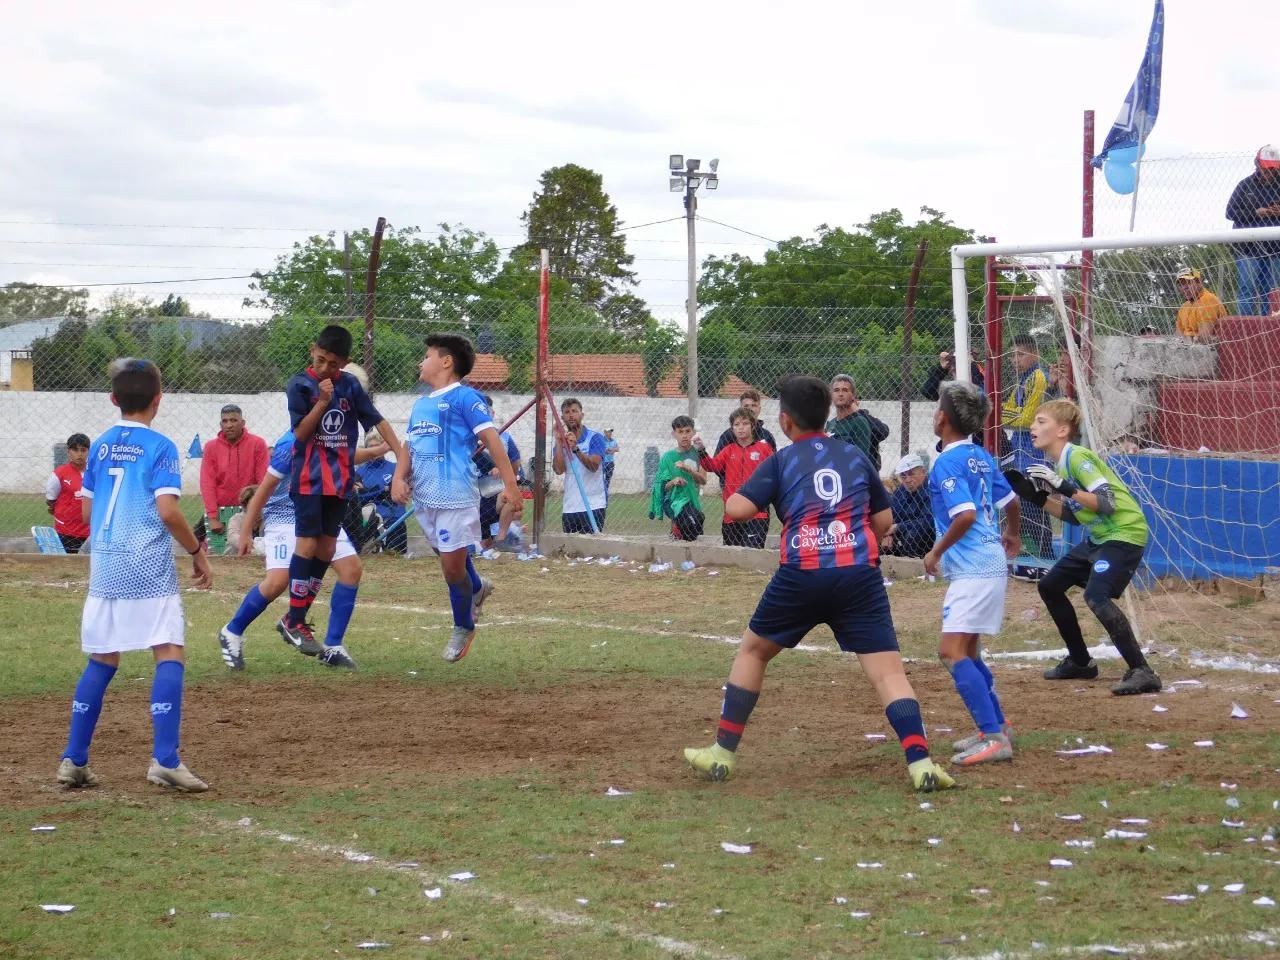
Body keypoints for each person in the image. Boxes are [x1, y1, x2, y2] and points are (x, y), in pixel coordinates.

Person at [682, 375, 956, 793]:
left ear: (785, 421)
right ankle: (921, 763)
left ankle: (722, 753)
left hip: (802, 573)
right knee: (888, 674)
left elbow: (737, 510)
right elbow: (883, 523)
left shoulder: (781, 460)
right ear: (828, 414)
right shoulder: (853, 456)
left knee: (754, 652)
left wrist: (757, 491)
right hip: (858, 575)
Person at [57, 358, 213, 793]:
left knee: (103, 657)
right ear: (158, 400)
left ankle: (75, 758)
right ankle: (164, 758)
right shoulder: (161, 446)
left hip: (105, 567)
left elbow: (87, 512)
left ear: (113, 400)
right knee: (168, 650)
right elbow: (167, 510)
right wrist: (198, 551)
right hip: (146, 566)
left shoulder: (101, 445)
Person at [1005, 399, 1162, 696]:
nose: (1032, 426)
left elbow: (1107, 503)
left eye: (1040, 421)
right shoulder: (1060, 463)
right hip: (1100, 537)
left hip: (1124, 533)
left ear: (1063, 430)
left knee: (1096, 595)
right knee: (1050, 586)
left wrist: (1063, 487)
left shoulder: (1077, 457)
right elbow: (1073, 515)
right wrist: (1035, 497)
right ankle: (1080, 662)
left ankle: (1142, 670)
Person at [392, 333, 522, 663]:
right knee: (449, 558)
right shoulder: (421, 404)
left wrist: (511, 485)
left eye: (427, 356)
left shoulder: (466, 398)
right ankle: (477, 587)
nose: (421, 362)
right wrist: (398, 476)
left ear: (446, 361)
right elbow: (409, 446)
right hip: (424, 499)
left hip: (455, 497)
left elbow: (493, 441)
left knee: (451, 570)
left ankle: (463, 625)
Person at [221, 430, 389, 671]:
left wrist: (377, 451)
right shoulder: (290, 445)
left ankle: (332, 647)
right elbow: (264, 490)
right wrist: (247, 529)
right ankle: (232, 631)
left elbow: (346, 455)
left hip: (320, 514)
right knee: (278, 581)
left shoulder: (331, 435)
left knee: (351, 569)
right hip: (284, 517)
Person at [922, 382, 1022, 766]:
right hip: (990, 563)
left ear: (943, 419)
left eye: (936, 410)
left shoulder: (946, 462)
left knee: (950, 652)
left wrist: (936, 551)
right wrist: (1011, 531)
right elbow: (1010, 500)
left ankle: (995, 739)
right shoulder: (981, 455)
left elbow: (964, 515)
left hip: (974, 569)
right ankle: (997, 726)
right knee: (969, 650)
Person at [1002, 334, 1053, 580]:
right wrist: (1009, 413)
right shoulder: (1023, 380)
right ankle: (1032, 558)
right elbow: (1010, 409)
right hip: (1020, 454)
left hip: (1035, 455)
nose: (1015, 360)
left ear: (1034, 354)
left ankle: (1047, 559)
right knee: (1022, 507)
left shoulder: (1038, 377)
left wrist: (1004, 414)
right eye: (1012, 355)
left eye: (1020, 354)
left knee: (1036, 508)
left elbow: (1025, 419)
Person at [695, 407, 772, 549]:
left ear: (753, 425)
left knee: (752, 553)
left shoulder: (764, 449)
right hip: (732, 512)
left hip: (757, 512)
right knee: (732, 555)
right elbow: (713, 466)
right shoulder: (729, 450)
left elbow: (775, 472)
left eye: (745, 423)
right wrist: (701, 451)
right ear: (732, 428)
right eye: (736, 425)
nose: (741, 428)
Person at [199, 404, 269, 540]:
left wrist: (258, 510)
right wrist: (213, 517)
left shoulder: (257, 443)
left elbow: (263, 481)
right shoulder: (211, 447)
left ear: (242, 423)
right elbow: (207, 483)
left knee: (251, 553)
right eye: (225, 421)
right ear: (221, 424)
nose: (229, 425)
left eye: (233, 420)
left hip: (249, 510)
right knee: (215, 554)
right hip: (220, 511)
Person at [1226, 145, 1280, 316]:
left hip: (1274, 248)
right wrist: (1256, 213)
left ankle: (1269, 328)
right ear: (1257, 164)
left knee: (1270, 290)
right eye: (1265, 167)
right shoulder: (1245, 185)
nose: (1268, 172)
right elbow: (1230, 212)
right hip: (1247, 248)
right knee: (1247, 288)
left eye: (1272, 168)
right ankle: (1245, 328)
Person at [475, 394, 524, 552]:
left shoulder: (504, 436)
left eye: (487, 412)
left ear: (492, 414)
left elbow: (515, 461)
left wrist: (505, 473)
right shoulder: (468, 437)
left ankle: (501, 541)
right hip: (471, 495)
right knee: (482, 548)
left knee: (512, 499)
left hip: (494, 493)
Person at [553, 397, 608, 534]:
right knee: (570, 550)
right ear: (562, 417)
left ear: (581, 415)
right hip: (570, 506)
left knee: (591, 549)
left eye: (574, 411)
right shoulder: (561, 443)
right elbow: (559, 470)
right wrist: (559, 442)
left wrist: (576, 449)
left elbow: (594, 466)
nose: (571, 415)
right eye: (566, 412)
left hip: (593, 504)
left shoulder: (594, 438)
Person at [649, 415, 707, 541]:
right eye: (680, 432)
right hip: (676, 502)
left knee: (696, 524)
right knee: (689, 523)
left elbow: (703, 480)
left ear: (693, 432)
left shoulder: (700, 454)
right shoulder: (668, 457)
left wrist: (689, 470)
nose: (684, 435)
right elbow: (661, 487)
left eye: (687, 431)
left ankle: (676, 535)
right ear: (673, 434)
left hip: (693, 501)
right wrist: (673, 482)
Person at [354, 432, 408, 555]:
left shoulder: (395, 467)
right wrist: (383, 489)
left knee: (396, 556)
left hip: (393, 516)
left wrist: (367, 490)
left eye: (377, 446)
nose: (374, 449)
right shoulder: (360, 470)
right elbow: (358, 494)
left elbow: (396, 491)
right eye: (370, 446)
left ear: (384, 448)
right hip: (368, 517)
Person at [45, 433, 92, 554]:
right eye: (75, 450)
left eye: (83, 450)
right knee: (67, 563)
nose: (80, 454)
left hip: (90, 531)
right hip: (66, 531)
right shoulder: (59, 474)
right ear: (68, 452)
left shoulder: (95, 472)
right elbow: (51, 499)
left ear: (89, 451)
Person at [882, 454, 935, 558]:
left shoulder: (932, 489)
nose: (907, 480)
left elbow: (928, 522)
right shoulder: (901, 491)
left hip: (925, 539)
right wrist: (888, 534)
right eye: (903, 475)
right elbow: (891, 515)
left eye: (911, 474)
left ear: (924, 472)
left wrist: (897, 527)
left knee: (913, 535)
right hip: (902, 535)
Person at [713, 388, 777, 457]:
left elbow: (774, 463)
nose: (750, 409)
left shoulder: (767, 436)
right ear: (740, 408)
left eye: (754, 405)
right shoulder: (728, 435)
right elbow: (717, 462)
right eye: (746, 406)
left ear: (759, 409)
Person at [1174, 267, 1228, 341]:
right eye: (1181, 285)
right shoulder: (1184, 306)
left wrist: (1183, 341)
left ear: (1198, 282)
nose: (1184, 287)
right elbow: (1178, 336)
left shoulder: (1208, 300)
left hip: (1208, 350)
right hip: (1188, 348)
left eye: (1188, 283)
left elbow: (1204, 337)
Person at [825, 374, 872, 458]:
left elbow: (861, 457)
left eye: (845, 390)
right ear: (831, 395)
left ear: (854, 395)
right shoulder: (831, 424)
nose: (840, 394)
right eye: (836, 390)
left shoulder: (859, 422)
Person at [602, 429, 619, 493]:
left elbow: (617, 448)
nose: (610, 433)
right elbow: (599, 447)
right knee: (600, 477)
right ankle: (601, 490)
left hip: (610, 462)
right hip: (603, 462)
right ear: (605, 432)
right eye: (608, 432)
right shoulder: (602, 440)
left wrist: (612, 450)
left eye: (610, 432)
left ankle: (605, 491)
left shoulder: (613, 441)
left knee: (608, 477)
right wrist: (605, 450)